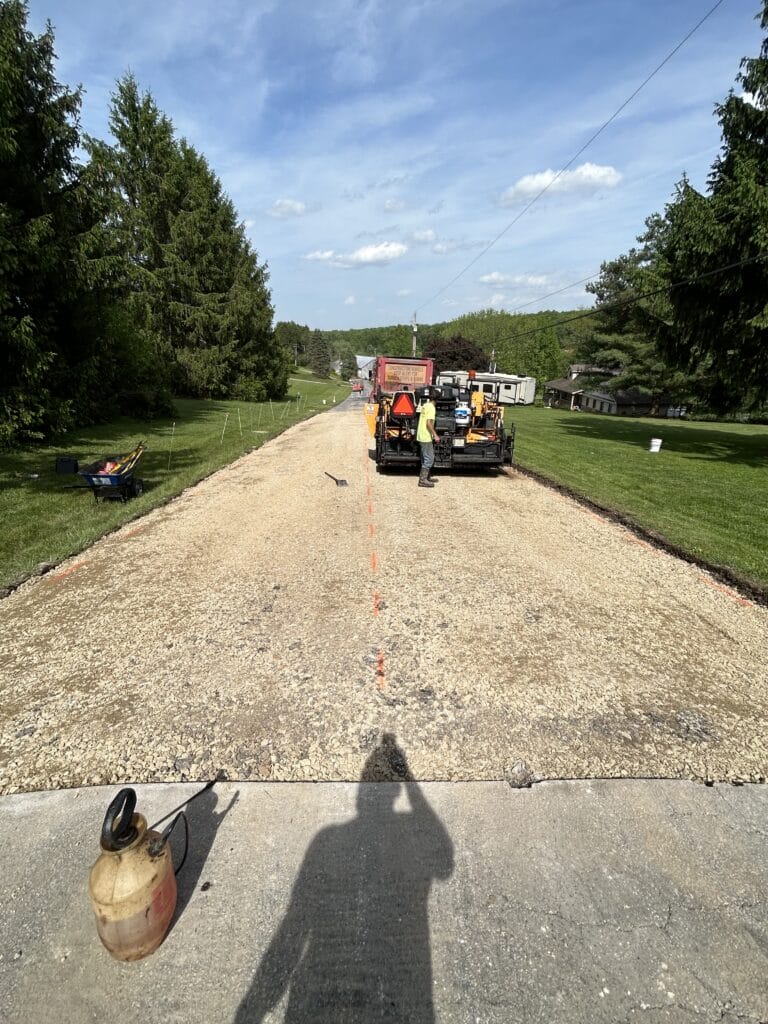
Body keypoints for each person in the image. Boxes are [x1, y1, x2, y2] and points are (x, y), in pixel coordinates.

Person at [416, 387, 440, 488]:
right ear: (437, 399)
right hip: (426, 436)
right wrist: (435, 435)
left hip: (421, 435)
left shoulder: (425, 405)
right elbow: (428, 423)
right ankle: (423, 480)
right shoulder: (432, 408)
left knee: (424, 457)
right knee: (429, 458)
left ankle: (427, 477)